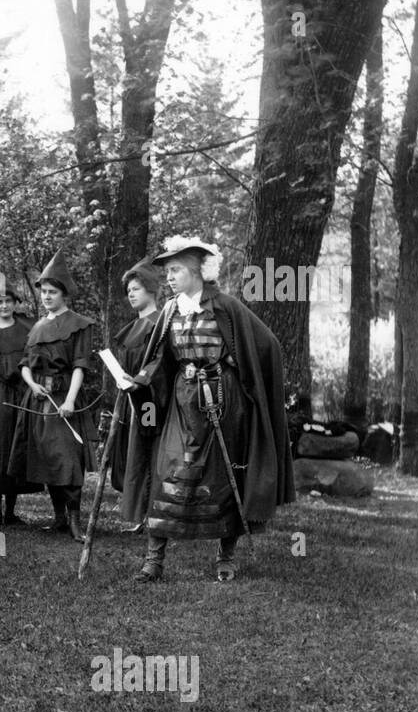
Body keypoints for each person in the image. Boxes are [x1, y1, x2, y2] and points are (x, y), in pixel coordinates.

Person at [119, 236, 295, 582]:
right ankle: (153, 561)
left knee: (224, 475)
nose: (169, 277)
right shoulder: (170, 310)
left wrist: (234, 363)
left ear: (199, 270)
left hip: (223, 403)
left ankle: (225, 557)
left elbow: (266, 344)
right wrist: (139, 380)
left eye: (176, 270)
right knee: (167, 471)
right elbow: (158, 358)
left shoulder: (227, 306)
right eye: (167, 271)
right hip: (182, 405)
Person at [7, 248, 98, 541]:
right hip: (38, 401)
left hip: (63, 398)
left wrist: (70, 400)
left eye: (52, 292)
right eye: (44, 292)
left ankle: (74, 522)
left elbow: (80, 367)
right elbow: (23, 366)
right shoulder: (36, 327)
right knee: (47, 459)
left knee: (68, 460)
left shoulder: (80, 325)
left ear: (64, 295)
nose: (47, 296)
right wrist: (32, 384)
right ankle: (59, 518)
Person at [107, 258, 163, 528]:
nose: (131, 293)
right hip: (130, 401)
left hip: (151, 402)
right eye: (129, 289)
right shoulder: (132, 328)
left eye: (137, 288)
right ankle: (140, 512)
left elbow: (161, 363)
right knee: (132, 453)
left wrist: (139, 381)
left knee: (149, 451)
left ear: (152, 290)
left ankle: (152, 512)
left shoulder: (160, 324)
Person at [0, 272, 36, 526]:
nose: (4, 306)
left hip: (18, 392)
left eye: (8, 301)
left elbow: (34, 359)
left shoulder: (27, 328)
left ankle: (11, 509)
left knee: (15, 446)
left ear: (15, 303)